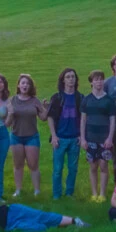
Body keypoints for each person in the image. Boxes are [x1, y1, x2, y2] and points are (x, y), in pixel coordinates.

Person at [80, 70, 116, 201]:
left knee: (103, 165)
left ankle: (102, 193)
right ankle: (94, 193)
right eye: (96, 79)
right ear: (91, 82)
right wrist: (83, 138)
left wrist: (110, 138)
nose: (99, 82)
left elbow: (112, 120)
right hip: (90, 137)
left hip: (104, 138)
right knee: (93, 166)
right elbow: (83, 120)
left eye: (101, 79)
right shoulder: (86, 100)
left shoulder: (109, 100)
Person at [7, 73, 46, 197]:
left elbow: (43, 118)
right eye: (23, 83)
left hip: (32, 137)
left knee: (33, 165)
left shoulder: (34, 100)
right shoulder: (12, 100)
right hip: (16, 136)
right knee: (18, 165)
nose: (25, 85)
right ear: (18, 85)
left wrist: (45, 108)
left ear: (30, 87)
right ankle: (18, 190)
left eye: (28, 84)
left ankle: (37, 191)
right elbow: (7, 123)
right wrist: (10, 114)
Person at [47, 68, 83, 200]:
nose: (71, 79)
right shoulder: (57, 98)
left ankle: (69, 193)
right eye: (68, 77)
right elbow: (50, 117)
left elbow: (83, 118)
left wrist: (81, 135)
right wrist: (54, 136)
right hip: (60, 138)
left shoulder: (80, 97)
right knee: (57, 169)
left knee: (73, 168)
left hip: (75, 138)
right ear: (63, 80)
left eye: (73, 76)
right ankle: (56, 194)